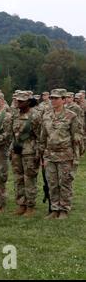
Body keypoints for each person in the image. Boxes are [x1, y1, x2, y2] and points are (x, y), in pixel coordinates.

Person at [40, 89, 84, 219]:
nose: (53, 100)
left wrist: (76, 158)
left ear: (64, 100)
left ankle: (64, 209)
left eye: (56, 98)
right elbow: (43, 137)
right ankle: (54, 209)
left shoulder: (71, 116)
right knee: (52, 183)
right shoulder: (46, 115)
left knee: (64, 183)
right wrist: (43, 155)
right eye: (52, 98)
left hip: (66, 155)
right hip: (50, 155)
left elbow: (77, 137)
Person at [10, 91, 42, 217]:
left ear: (28, 102)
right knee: (18, 179)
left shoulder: (35, 116)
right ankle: (21, 204)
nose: (19, 103)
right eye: (18, 101)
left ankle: (30, 206)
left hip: (30, 152)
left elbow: (40, 136)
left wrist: (38, 154)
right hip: (17, 151)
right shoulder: (15, 115)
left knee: (29, 179)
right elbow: (13, 133)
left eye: (22, 101)